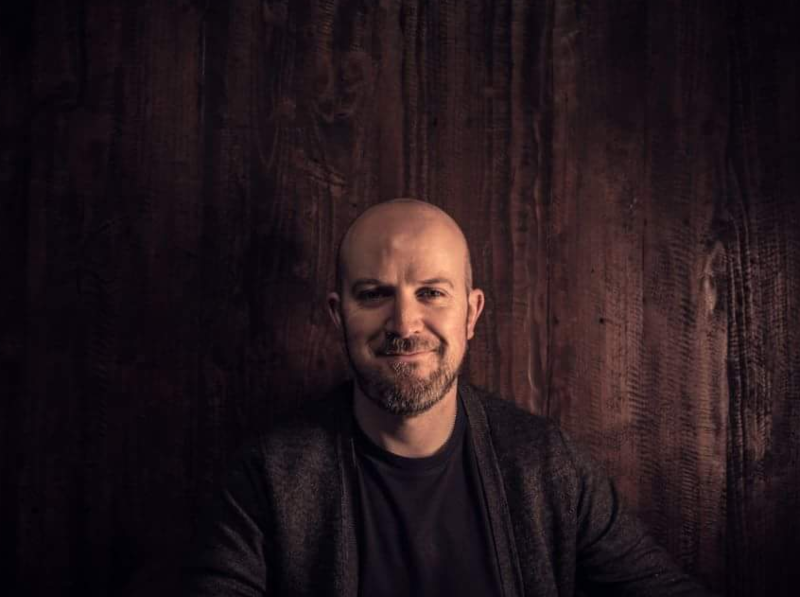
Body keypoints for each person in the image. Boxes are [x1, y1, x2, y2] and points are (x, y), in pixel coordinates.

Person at [184, 199, 716, 596]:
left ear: (471, 313)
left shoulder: (547, 465)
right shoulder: (271, 477)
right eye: (374, 294)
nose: (404, 323)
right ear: (336, 313)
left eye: (431, 293)